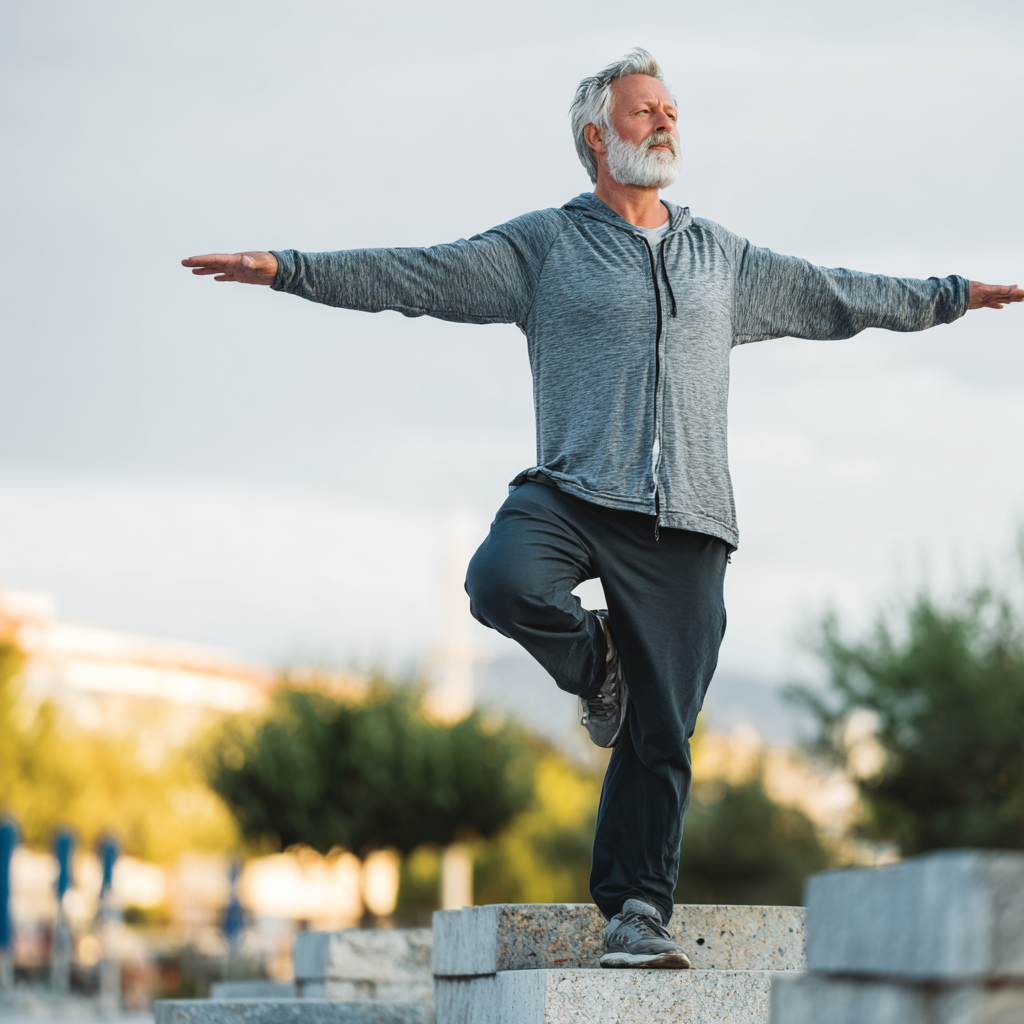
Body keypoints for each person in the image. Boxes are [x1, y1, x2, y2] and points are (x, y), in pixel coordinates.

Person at [182, 49, 1022, 969]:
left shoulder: (722, 257)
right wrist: (285, 268)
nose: (664, 123)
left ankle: (635, 913)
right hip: (574, 491)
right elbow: (419, 277)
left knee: (663, 731)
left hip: (687, 519)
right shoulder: (543, 247)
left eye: (670, 110)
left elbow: (837, 294)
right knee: (500, 580)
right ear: (596, 136)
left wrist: (950, 297)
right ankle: (598, 666)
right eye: (642, 111)